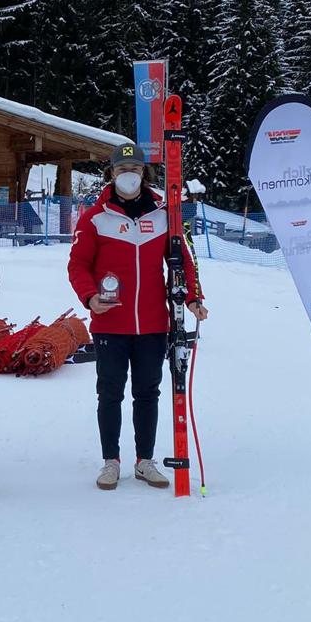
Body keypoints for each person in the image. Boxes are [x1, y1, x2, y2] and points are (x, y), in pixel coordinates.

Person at [68, 144, 207, 491]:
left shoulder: (162, 213)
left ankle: (145, 460)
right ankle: (110, 462)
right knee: (110, 393)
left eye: (134, 167)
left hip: (152, 323)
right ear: (111, 174)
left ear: (144, 172)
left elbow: (182, 261)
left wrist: (193, 298)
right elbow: (78, 265)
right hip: (110, 322)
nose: (128, 174)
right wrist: (89, 296)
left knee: (148, 393)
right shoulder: (96, 216)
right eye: (121, 168)